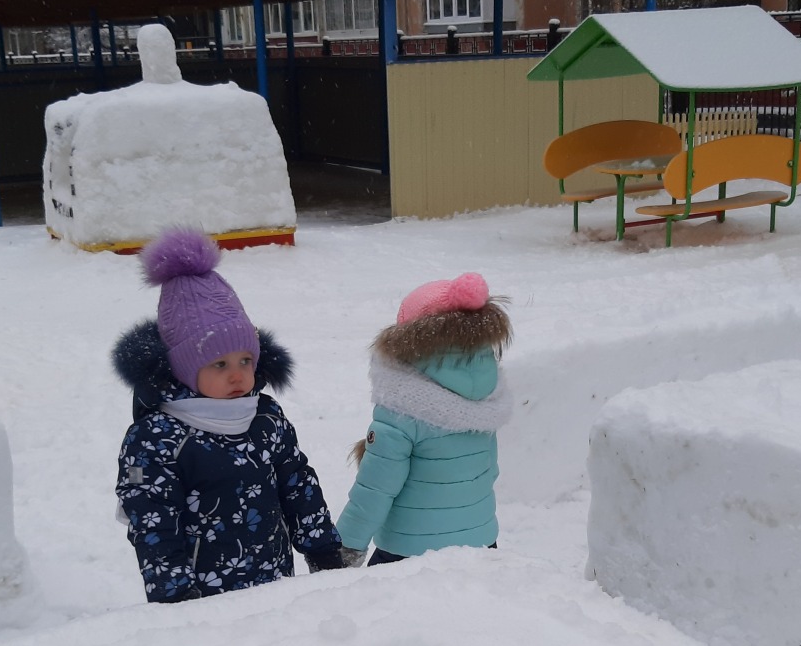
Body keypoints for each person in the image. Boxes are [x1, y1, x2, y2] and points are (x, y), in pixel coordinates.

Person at [113, 229, 348, 603]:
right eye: (219, 364)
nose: (238, 375)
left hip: (277, 581)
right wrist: (175, 594)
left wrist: (322, 548)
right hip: (205, 599)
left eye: (245, 360)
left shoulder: (265, 418)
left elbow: (297, 483)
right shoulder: (158, 437)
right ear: (184, 369)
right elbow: (153, 520)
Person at [335, 273, 512, 566]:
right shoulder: (487, 395)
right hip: (481, 544)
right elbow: (489, 471)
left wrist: (346, 546)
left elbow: (375, 491)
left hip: (409, 551)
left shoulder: (401, 408)